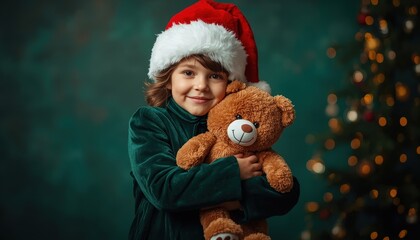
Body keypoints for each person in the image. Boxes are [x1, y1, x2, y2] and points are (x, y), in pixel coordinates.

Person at [127, 0, 300, 239]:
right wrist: (233, 173)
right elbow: (164, 189)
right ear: (167, 78)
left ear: (231, 85)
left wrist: (235, 203)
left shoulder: (236, 126)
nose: (200, 86)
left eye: (215, 76)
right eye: (188, 72)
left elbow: (286, 191)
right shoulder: (148, 122)